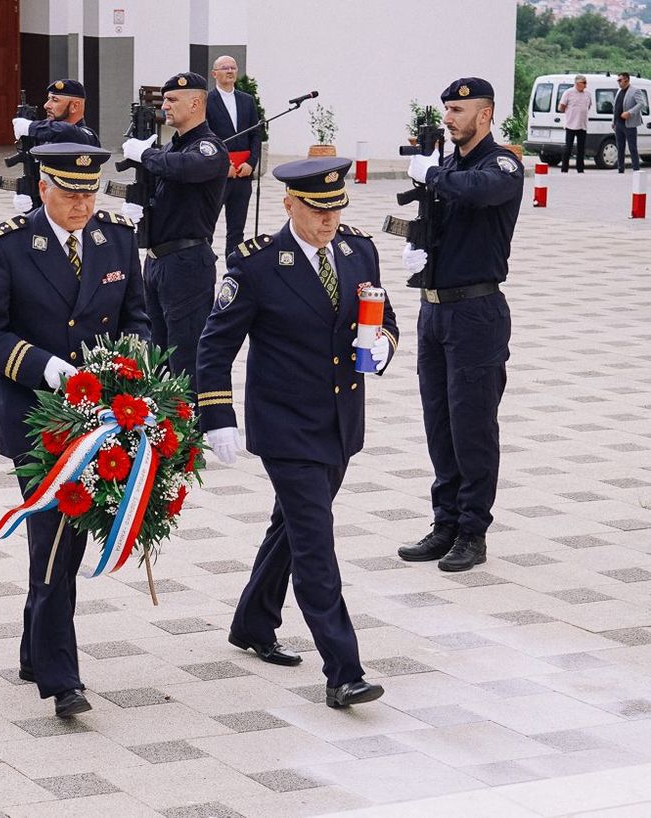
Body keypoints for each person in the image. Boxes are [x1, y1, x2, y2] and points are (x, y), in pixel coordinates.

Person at [196, 157, 398, 709]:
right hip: (285, 427)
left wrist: (383, 346)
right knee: (315, 545)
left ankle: (253, 623)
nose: (329, 219)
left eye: (336, 207)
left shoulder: (359, 250)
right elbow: (214, 348)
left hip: (340, 422)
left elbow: (384, 316)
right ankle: (344, 671)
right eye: (317, 209)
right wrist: (217, 416)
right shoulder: (258, 265)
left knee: (291, 526)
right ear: (289, 204)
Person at [0, 144, 149, 718]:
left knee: (64, 546)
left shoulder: (115, 237)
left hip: (100, 423)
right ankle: (61, 679)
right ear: (43, 186)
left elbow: (138, 315)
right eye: (70, 193)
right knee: (53, 543)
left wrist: (129, 359)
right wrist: (48, 367)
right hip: (38, 423)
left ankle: (34, 650)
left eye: (89, 192)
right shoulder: (7, 243)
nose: (82, 204)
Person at [397, 77, 523, 572]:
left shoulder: (502, 164)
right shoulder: (444, 166)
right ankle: (445, 521)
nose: (449, 118)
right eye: (446, 108)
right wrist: (415, 244)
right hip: (433, 309)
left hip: (476, 312)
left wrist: (431, 176)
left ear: (485, 114)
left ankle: (473, 531)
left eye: (459, 109)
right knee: (439, 422)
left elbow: (478, 193)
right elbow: (442, 211)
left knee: (472, 425)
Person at [121, 71, 229, 383]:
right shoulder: (169, 150)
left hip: (187, 263)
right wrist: (137, 203)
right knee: (157, 356)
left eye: (172, 100)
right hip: (156, 261)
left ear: (196, 103)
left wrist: (145, 154)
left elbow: (184, 169)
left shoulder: (209, 148)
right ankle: (164, 428)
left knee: (185, 357)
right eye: (164, 100)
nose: (165, 106)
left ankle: (192, 428)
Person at [10, 79, 101, 213]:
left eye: (55, 100)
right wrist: (24, 189)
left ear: (75, 106)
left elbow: (66, 131)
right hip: (42, 210)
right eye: (48, 99)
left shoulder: (85, 136)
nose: (47, 105)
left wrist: (31, 127)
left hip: (71, 210)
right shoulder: (47, 133)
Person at [206, 56, 262, 257]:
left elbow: (256, 133)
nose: (229, 71)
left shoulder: (246, 100)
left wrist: (251, 162)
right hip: (219, 174)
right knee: (207, 226)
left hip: (242, 173)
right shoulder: (207, 101)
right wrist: (222, 164)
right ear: (215, 74)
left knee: (237, 229)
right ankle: (205, 267)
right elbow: (206, 137)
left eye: (233, 67)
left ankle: (234, 269)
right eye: (224, 68)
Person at [558, 75, 592, 173]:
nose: (585, 85)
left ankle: (580, 169)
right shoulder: (568, 93)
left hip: (582, 125)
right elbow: (561, 107)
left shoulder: (588, 94)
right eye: (584, 83)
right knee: (568, 148)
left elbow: (588, 106)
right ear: (577, 83)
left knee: (581, 149)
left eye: (586, 83)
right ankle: (564, 169)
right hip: (571, 124)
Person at [613, 72, 643, 174]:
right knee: (620, 147)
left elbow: (641, 104)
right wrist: (614, 121)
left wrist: (630, 113)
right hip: (619, 123)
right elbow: (616, 107)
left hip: (629, 124)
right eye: (618, 80)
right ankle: (620, 169)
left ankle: (636, 169)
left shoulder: (635, 91)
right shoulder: (619, 91)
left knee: (632, 147)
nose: (618, 82)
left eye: (620, 80)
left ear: (626, 80)